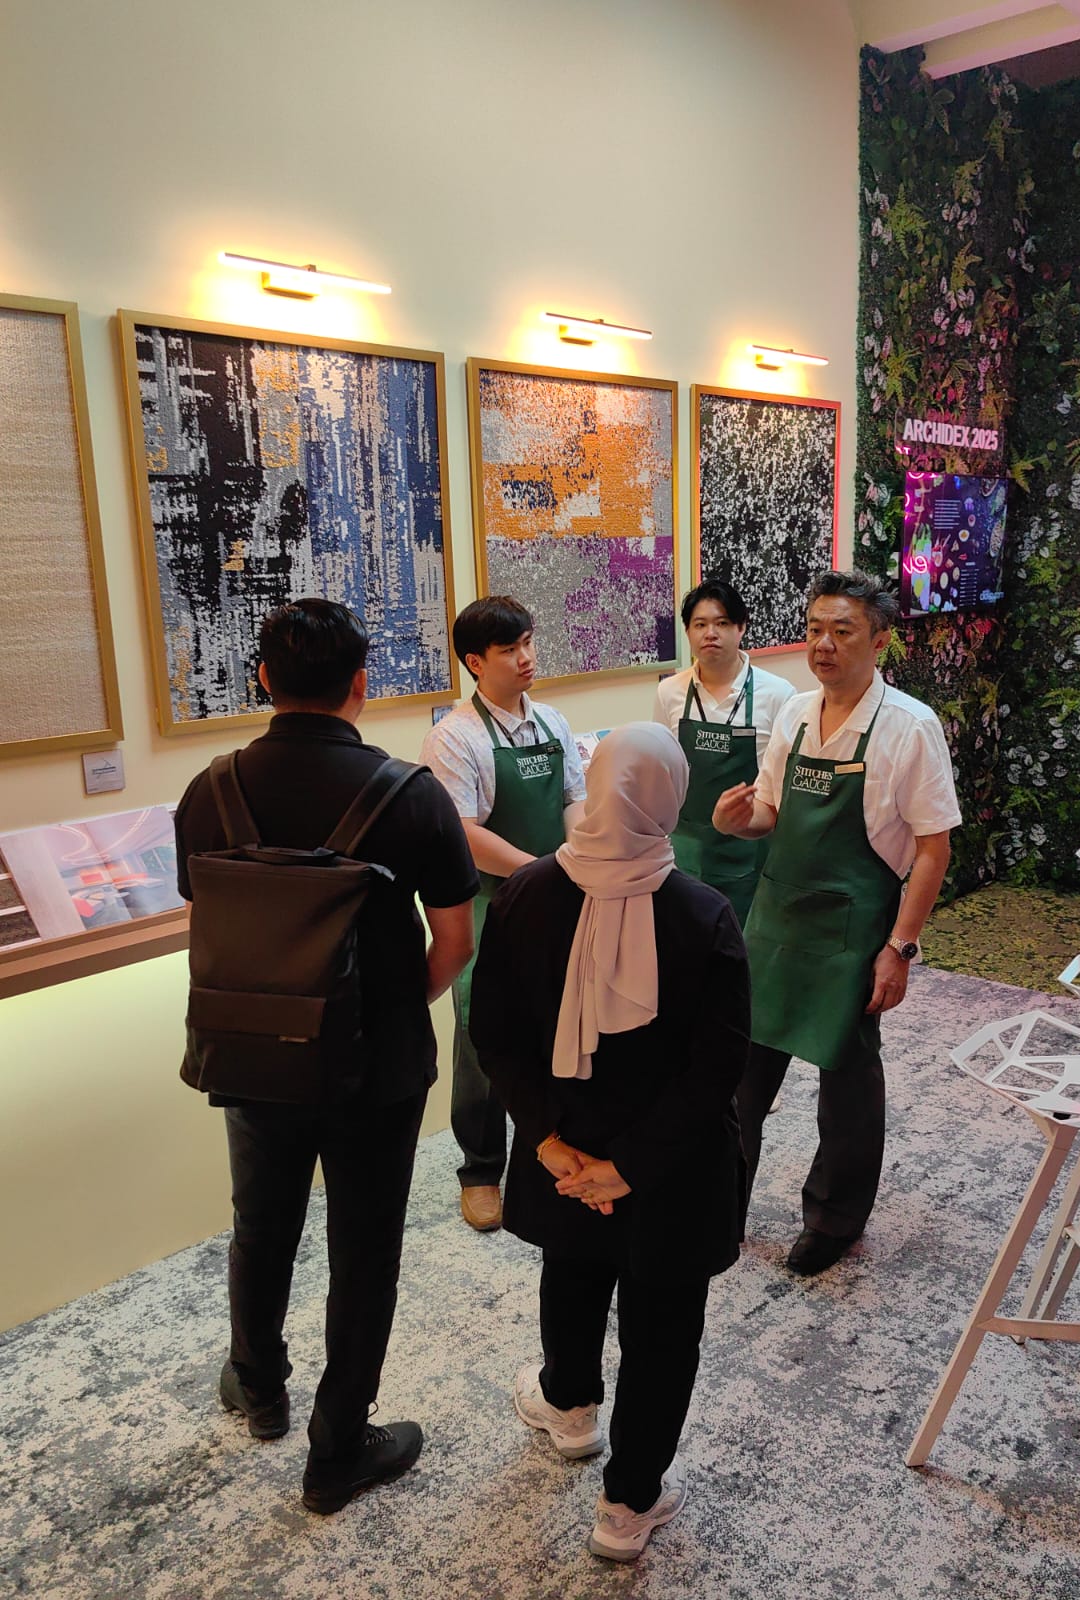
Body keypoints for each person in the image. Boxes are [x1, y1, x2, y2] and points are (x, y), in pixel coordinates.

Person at [174, 598, 478, 1513]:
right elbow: (455, 941)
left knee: (260, 1222)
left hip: (252, 1051)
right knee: (365, 1247)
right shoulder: (410, 794)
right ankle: (338, 1446)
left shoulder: (209, 791)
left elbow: (216, 919)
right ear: (361, 684)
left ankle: (258, 1386)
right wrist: (394, 1008)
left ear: (263, 678)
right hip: (375, 1064)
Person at [471, 723, 749, 1563]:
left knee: (573, 1269)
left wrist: (549, 1142)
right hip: (672, 1170)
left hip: (565, 1153)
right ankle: (628, 1505)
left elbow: (493, 1034)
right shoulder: (703, 913)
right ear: (670, 796)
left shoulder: (526, 892)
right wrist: (629, 1168)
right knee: (664, 1326)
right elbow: (717, 1069)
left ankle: (569, 1408)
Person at [713, 570, 960, 1276]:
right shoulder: (795, 713)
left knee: (846, 1085)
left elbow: (933, 849)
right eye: (815, 629)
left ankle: (833, 1220)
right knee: (739, 1076)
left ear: (878, 641)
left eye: (841, 631)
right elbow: (769, 813)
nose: (822, 644)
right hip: (775, 920)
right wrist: (737, 822)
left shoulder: (910, 726)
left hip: (853, 930)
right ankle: (719, 1205)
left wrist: (900, 948)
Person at [419, 596, 587, 1232]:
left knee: (561, 1024)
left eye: (529, 642)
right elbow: (461, 831)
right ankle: (481, 1170)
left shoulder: (551, 721)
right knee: (482, 1040)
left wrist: (577, 858)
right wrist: (541, 870)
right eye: (510, 649)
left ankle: (554, 1146)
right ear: (474, 662)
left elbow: (574, 799)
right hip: (490, 906)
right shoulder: (454, 737)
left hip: (559, 894)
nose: (526, 658)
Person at [653, 579, 796, 926]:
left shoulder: (779, 694)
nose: (710, 634)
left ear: (741, 628)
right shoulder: (669, 692)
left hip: (750, 849)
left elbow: (785, 784)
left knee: (743, 941)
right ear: (687, 631)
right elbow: (662, 767)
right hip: (686, 848)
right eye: (700, 624)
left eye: (722, 623)